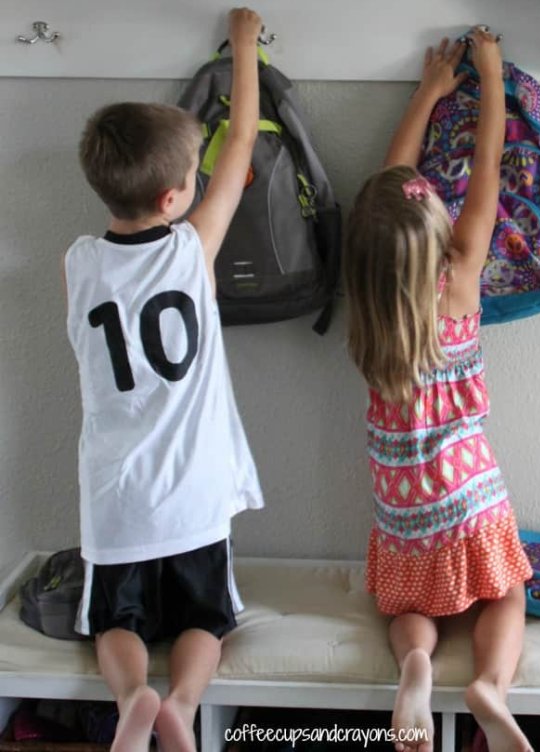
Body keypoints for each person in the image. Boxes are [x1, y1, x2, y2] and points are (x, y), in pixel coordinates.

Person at [62, 9, 264, 752]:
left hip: (116, 499)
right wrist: (245, 45)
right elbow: (240, 142)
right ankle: (181, 699)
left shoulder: (77, 265)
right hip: (193, 493)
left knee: (113, 623)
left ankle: (131, 698)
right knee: (205, 622)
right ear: (177, 198)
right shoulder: (190, 252)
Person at [343, 28, 534, 752]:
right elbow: (488, 167)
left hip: (402, 497)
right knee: (505, 592)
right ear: (441, 241)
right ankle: (489, 683)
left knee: (411, 609)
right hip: (469, 488)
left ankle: (416, 664)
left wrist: (427, 90)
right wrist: (487, 75)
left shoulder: (368, 309)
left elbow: (389, 186)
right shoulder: (459, 282)